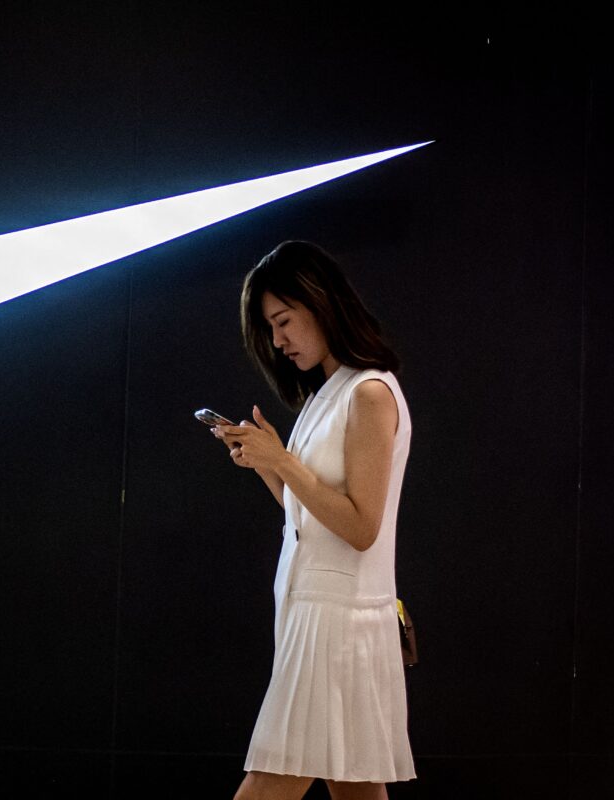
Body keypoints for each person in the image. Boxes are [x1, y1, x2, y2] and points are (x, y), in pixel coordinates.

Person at [213, 241, 416, 800]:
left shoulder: (368, 393)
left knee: (272, 781)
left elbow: (361, 527)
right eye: (270, 327)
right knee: (356, 786)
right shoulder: (328, 393)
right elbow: (309, 515)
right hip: (315, 612)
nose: (278, 340)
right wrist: (265, 461)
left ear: (321, 302)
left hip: (337, 623)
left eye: (283, 321)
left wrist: (282, 461)